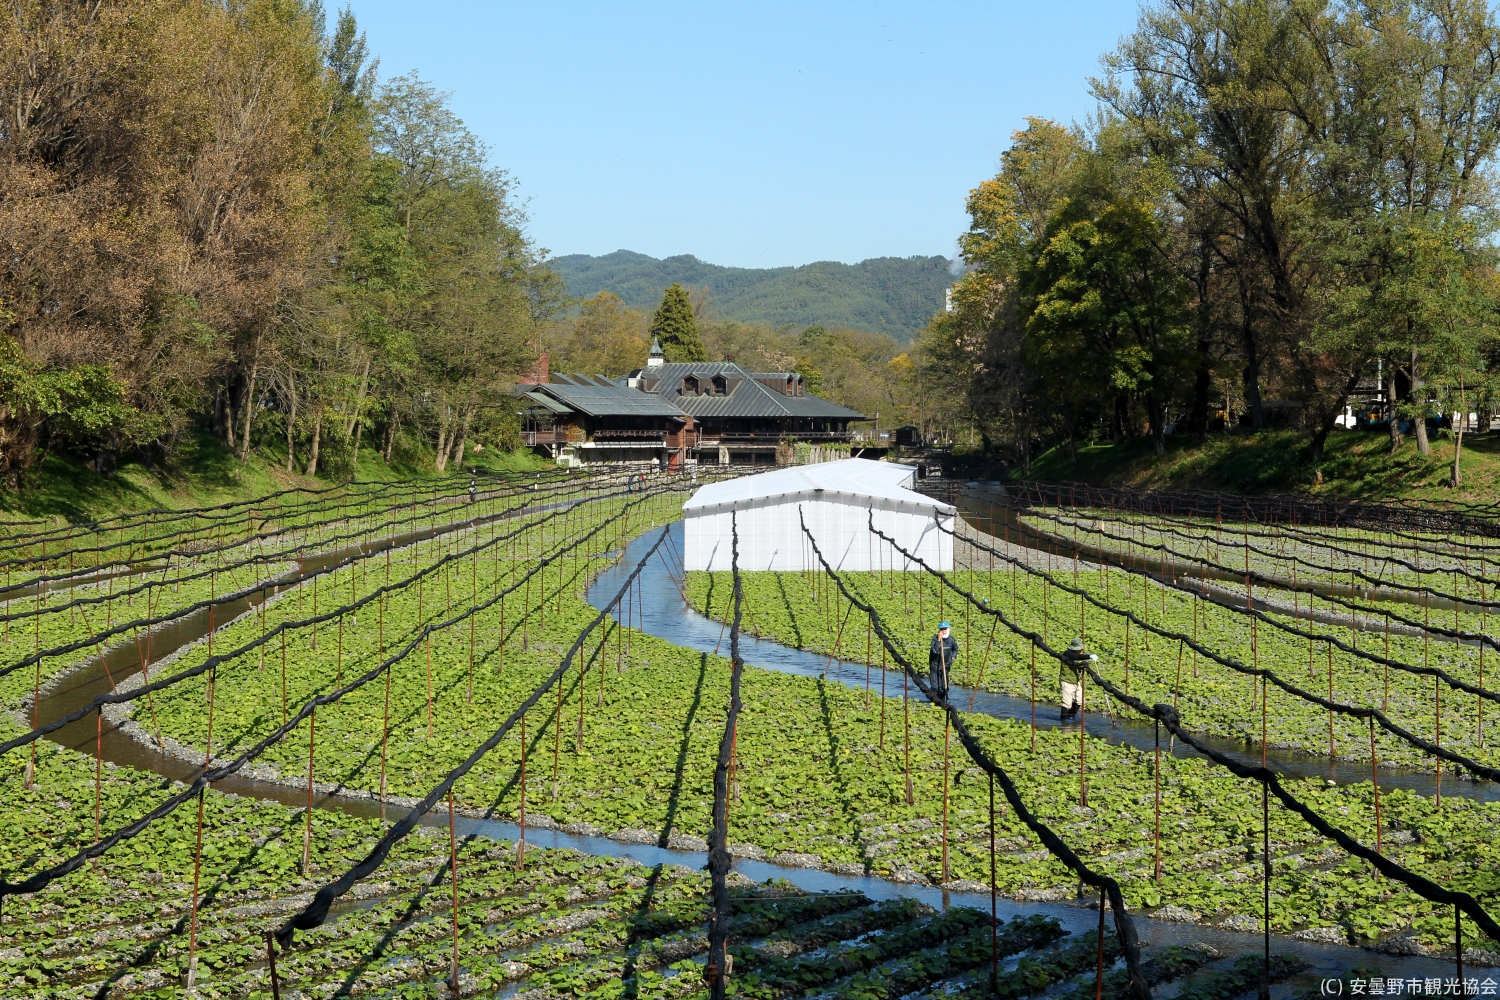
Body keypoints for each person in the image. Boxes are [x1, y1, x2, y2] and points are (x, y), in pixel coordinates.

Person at [1060, 637, 1097, 721]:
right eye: (1079, 649)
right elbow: (1075, 658)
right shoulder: (1067, 653)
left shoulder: (1072, 655)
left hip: (1075, 681)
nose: (1080, 650)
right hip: (1067, 681)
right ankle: (1064, 720)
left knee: (1080, 700)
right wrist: (1089, 656)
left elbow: (1075, 662)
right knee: (1067, 703)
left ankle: (1071, 716)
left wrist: (1082, 665)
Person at [928, 622, 958, 700]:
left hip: (946, 665)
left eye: (945, 629)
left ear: (948, 629)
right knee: (935, 687)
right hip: (935, 665)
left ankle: (943, 700)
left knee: (944, 686)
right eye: (941, 629)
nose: (943, 631)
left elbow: (955, 649)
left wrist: (953, 657)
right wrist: (938, 640)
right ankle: (934, 701)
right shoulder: (935, 639)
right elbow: (935, 651)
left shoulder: (951, 640)